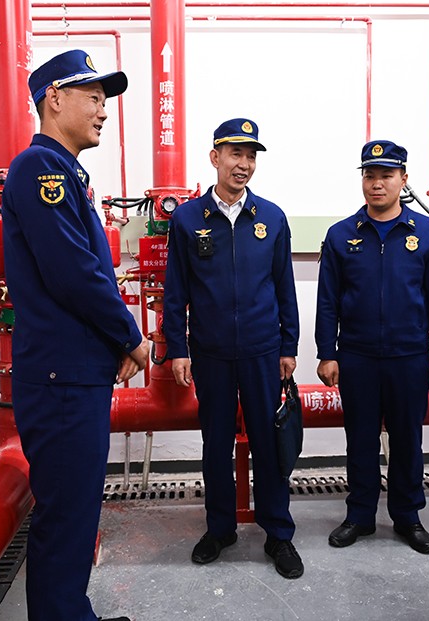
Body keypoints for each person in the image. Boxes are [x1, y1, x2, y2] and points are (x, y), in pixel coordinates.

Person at [1, 49, 149, 621]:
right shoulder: (39, 170)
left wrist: (112, 343)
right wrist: (132, 338)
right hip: (62, 379)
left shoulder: (67, 174)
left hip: (75, 373)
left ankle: (71, 612)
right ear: (53, 99)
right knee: (66, 515)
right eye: (93, 96)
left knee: (78, 509)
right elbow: (75, 273)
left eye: (105, 99)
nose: (104, 110)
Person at [163, 118, 303, 579]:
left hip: (264, 351)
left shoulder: (272, 218)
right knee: (215, 443)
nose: (243, 164)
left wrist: (289, 344)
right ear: (215, 158)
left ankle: (278, 533)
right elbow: (175, 290)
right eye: (235, 154)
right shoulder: (186, 220)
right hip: (211, 353)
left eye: (251, 156)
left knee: (269, 444)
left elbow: (284, 286)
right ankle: (219, 528)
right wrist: (178, 348)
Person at [315, 140, 429, 554]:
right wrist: (328, 351)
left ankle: (408, 516)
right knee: (359, 438)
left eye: (386, 176)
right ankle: (359, 515)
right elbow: (328, 300)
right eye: (369, 176)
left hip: (409, 356)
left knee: (408, 438)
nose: (377, 184)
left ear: (403, 179)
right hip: (356, 356)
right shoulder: (341, 235)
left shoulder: (427, 233)